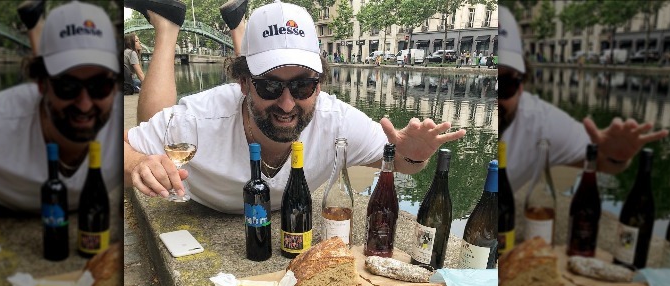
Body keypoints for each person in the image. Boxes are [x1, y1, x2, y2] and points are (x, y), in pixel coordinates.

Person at [124, 1, 466, 214]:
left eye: (303, 85)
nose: (288, 104)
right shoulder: (197, 119)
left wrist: (413, 154)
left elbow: (403, 164)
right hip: (205, 208)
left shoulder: (338, 121)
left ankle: (240, 28)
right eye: (270, 85)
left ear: (320, 83)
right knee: (154, 122)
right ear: (243, 83)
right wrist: (141, 163)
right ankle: (167, 27)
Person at [0, 1, 122, 212]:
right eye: (67, 87)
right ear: (41, 85)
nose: (84, 104)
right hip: (0, 209)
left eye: (100, 86)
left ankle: (34, 27)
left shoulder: (120, 121)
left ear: (116, 86)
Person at [498, 6, 669, 191]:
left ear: (521, 86)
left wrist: (615, 155)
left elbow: (604, 161)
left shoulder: (538, 122)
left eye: (505, 83)